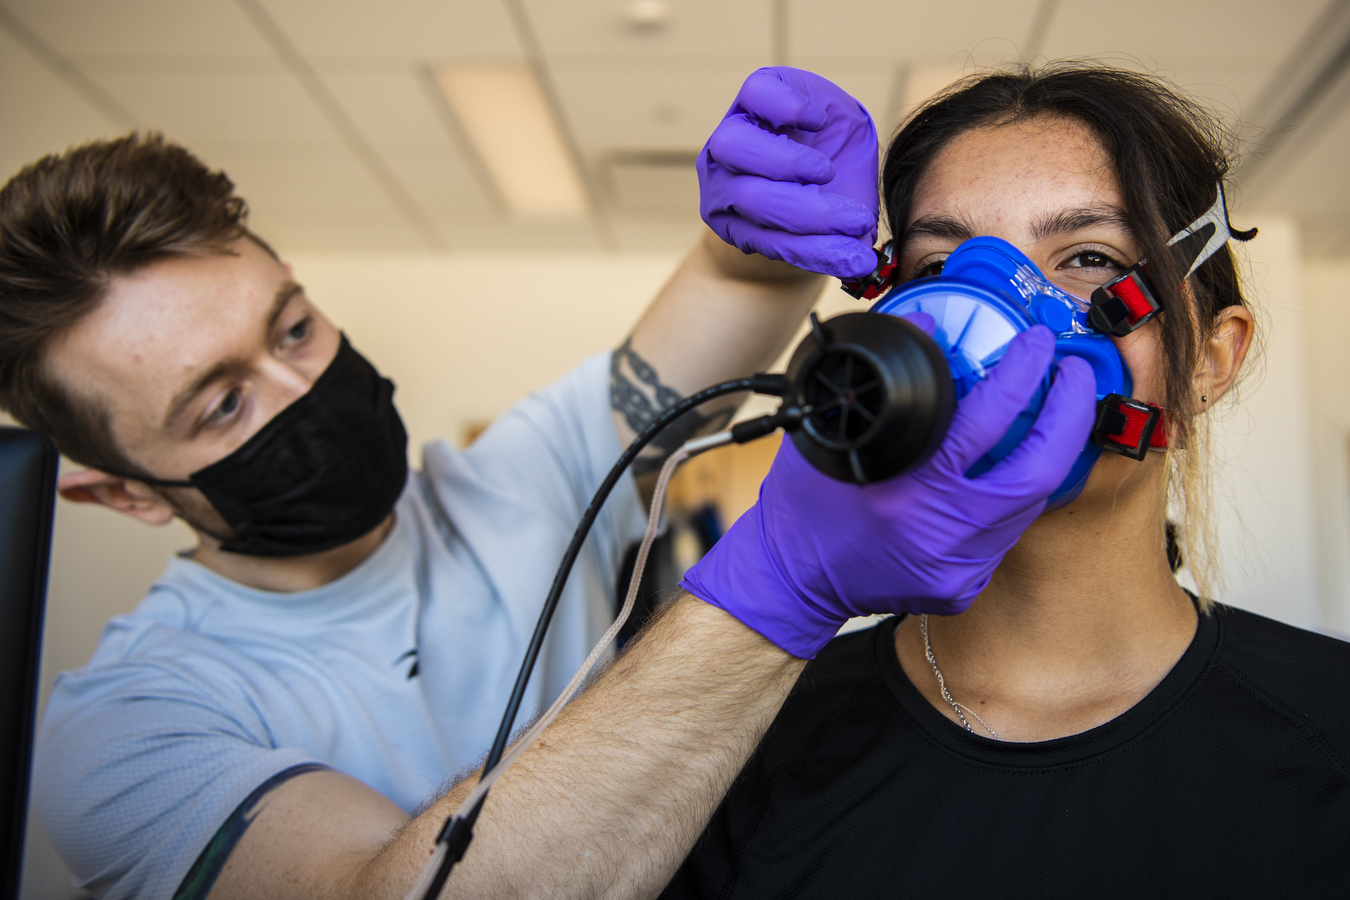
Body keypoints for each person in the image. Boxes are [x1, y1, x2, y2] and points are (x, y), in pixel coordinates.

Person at [0, 80, 1095, 900]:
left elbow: (731, 282)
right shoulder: (125, 736)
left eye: (292, 326)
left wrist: (779, 218)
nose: (301, 387)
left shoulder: (511, 482)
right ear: (125, 495)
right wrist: (786, 582)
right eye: (220, 406)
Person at [661, 63, 1350, 898]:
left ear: (1211, 358)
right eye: (939, 266)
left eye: (1089, 258)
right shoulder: (743, 745)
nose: (992, 312)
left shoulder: (1328, 732)